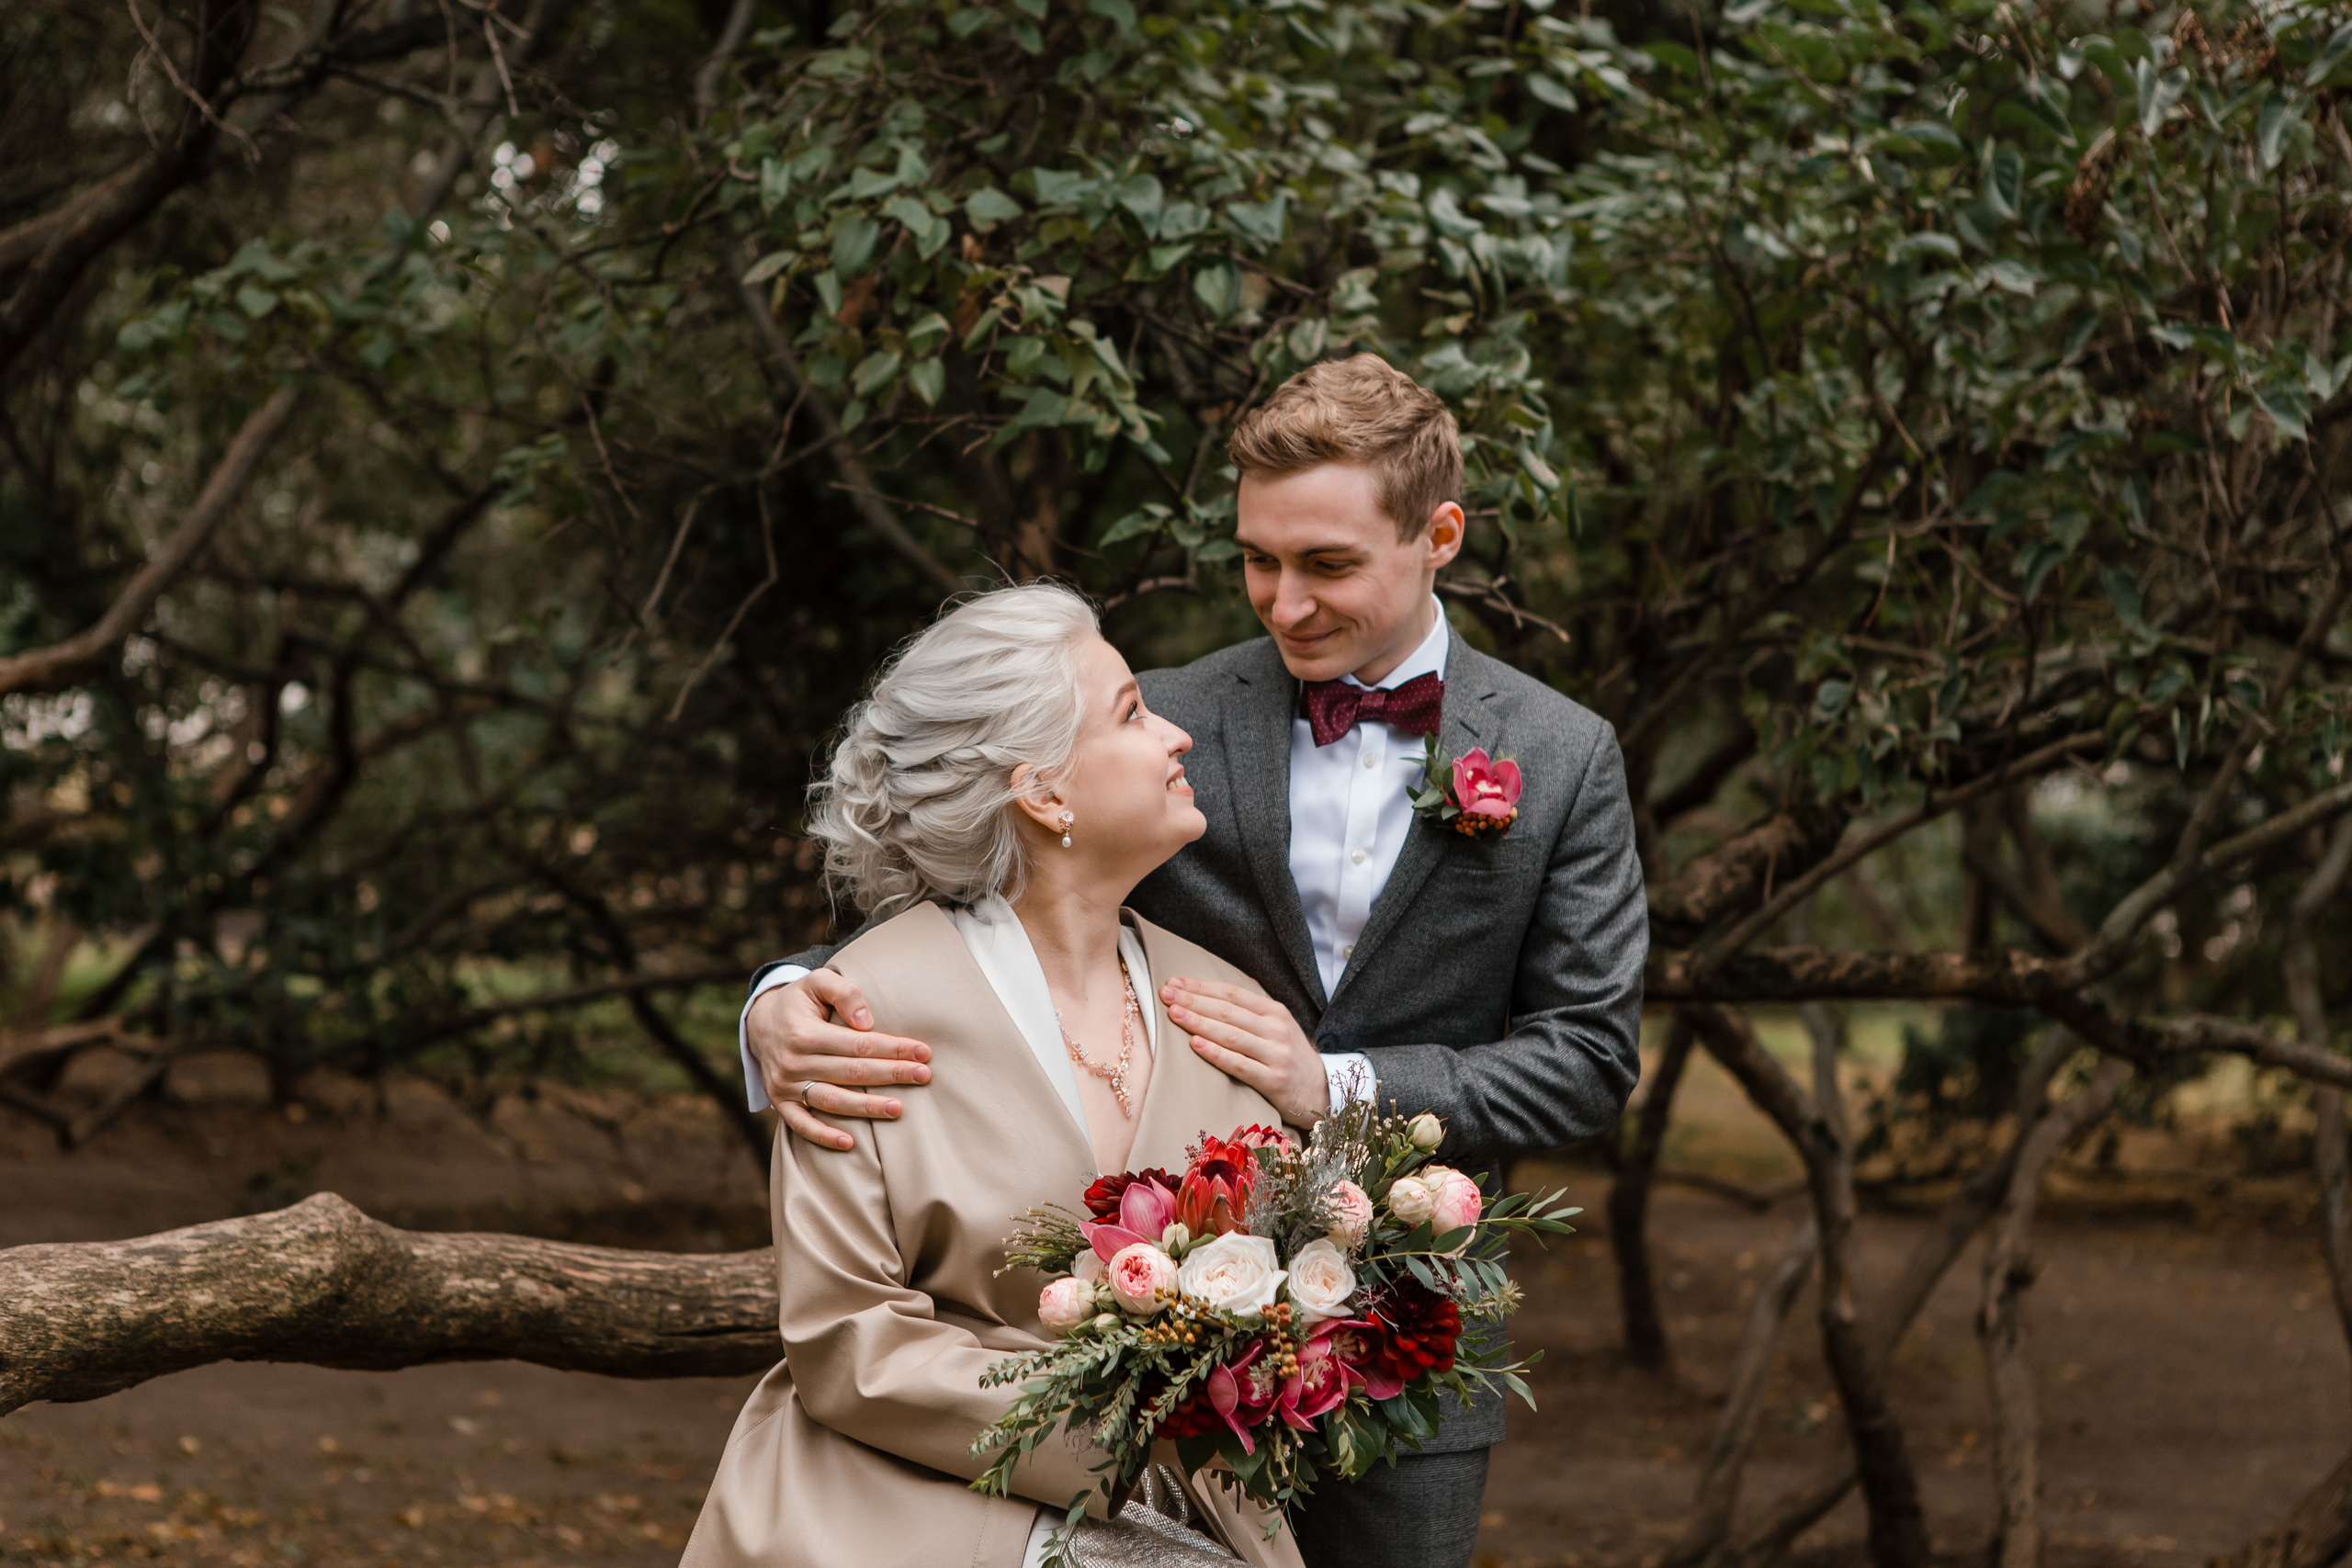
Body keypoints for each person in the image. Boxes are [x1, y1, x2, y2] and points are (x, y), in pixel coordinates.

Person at [742, 355, 1649, 1568]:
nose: (1283, 603)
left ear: (1439, 534)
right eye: (1256, 559)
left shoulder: (1563, 752)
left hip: (1406, 1344)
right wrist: (780, 1000)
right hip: (1132, 1341)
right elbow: (973, 890)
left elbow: (1588, 1056)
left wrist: (1335, 1085)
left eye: (1326, 564)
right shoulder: (1155, 723)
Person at [683, 583, 1305, 1568]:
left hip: (1187, 1507)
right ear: (1044, 792)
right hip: (887, 1502)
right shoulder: (853, 1020)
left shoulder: (1223, 1004)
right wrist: (1117, 1430)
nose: (1179, 735)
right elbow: (849, 1341)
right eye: (1135, 712)